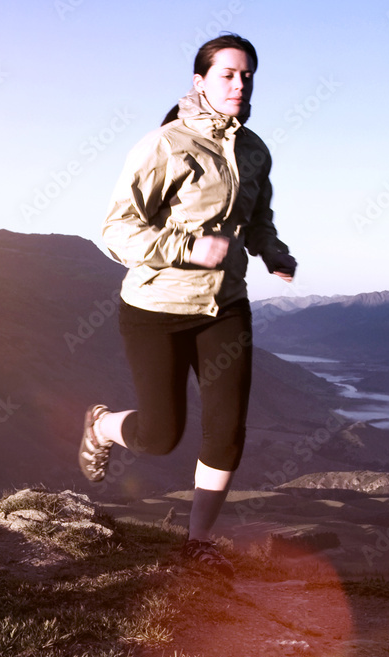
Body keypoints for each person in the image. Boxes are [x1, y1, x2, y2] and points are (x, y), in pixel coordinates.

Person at [79, 34, 296, 578]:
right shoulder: (164, 146)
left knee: (227, 430)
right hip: (157, 307)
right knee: (160, 434)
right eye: (227, 75)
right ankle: (103, 426)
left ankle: (197, 543)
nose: (239, 85)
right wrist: (188, 248)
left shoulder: (254, 149)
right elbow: (116, 230)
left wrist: (273, 252)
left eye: (247, 76)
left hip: (225, 305)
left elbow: (258, 217)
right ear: (200, 81)